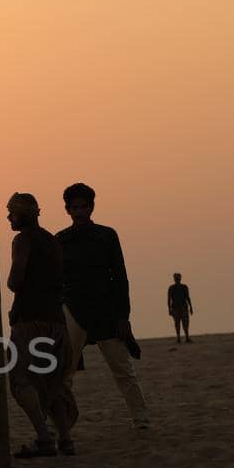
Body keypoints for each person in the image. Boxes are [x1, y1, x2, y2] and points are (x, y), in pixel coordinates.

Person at [57, 183, 152, 431]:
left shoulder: (107, 235)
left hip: (105, 312)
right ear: (67, 209)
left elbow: (120, 277)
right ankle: (62, 423)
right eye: (75, 207)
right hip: (74, 310)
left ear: (92, 207)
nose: (79, 211)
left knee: (122, 369)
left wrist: (123, 316)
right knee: (65, 373)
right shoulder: (61, 240)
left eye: (84, 206)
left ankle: (141, 419)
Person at [5, 192, 75, 457]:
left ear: (23, 214)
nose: (9, 218)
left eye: (12, 213)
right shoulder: (52, 241)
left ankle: (44, 437)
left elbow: (16, 280)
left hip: (29, 319)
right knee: (53, 381)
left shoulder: (22, 240)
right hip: (56, 319)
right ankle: (66, 439)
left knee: (21, 380)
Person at [167, 273, 194, 344]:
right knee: (177, 323)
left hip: (183, 307)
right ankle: (179, 338)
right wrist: (169, 309)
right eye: (176, 278)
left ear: (180, 278)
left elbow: (188, 298)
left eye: (178, 278)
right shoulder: (171, 288)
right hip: (175, 308)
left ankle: (187, 337)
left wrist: (191, 307)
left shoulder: (184, 287)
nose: (177, 279)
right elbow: (169, 299)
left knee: (185, 323)